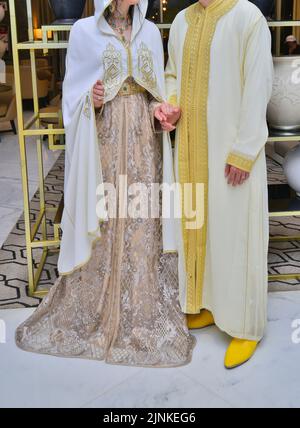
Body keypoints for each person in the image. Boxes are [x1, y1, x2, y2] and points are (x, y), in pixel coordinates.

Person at [15, 0, 195, 368]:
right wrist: (92, 101)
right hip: (106, 142)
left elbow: (154, 91)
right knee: (108, 218)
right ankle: (95, 307)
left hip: (145, 143)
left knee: (143, 223)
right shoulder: (84, 33)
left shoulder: (149, 32)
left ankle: (142, 307)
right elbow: (73, 98)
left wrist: (160, 111)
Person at [157, 0, 274, 369]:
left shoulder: (247, 17)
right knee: (200, 229)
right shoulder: (181, 21)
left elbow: (259, 85)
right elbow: (172, 73)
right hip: (191, 151)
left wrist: (244, 150)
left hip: (232, 153)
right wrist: (170, 104)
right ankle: (207, 304)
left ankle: (245, 325)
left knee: (236, 234)